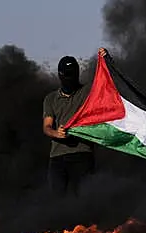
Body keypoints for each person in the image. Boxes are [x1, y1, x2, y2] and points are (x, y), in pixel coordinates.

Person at [42, 47, 109, 196]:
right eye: (66, 75)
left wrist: (106, 61)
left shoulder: (87, 93)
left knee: (84, 198)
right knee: (57, 199)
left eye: (72, 75)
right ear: (60, 75)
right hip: (57, 157)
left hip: (82, 154)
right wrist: (56, 133)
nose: (69, 78)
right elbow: (47, 126)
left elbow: (105, 83)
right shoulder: (51, 99)